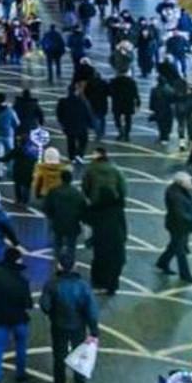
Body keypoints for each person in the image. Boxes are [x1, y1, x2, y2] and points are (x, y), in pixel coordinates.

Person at [39, 251, 99, 383]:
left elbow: (45, 306)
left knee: (59, 361)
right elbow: (92, 310)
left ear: (59, 265)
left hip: (58, 327)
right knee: (79, 352)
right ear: (75, 266)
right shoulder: (83, 286)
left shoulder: (52, 284)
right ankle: (79, 379)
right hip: (78, 326)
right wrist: (94, 330)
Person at [82, 147, 129, 296]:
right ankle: (112, 285)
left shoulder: (90, 170)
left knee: (99, 259)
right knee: (116, 260)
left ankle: (98, 281)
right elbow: (123, 187)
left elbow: (85, 187)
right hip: (116, 239)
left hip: (100, 236)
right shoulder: (115, 169)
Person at [0, 245, 32, 383]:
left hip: (0, 317)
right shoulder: (22, 281)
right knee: (21, 345)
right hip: (19, 318)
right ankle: (20, 373)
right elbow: (28, 303)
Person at [156, 171, 192, 282]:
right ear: (181, 183)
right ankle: (185, 275)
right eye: (188, 182)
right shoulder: (176, 196)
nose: (191, 184)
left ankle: (162, 262)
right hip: (178, 227)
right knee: (181, 251)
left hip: (178, 225)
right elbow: (180, 214)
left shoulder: (178, 191)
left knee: (174, 246)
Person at [43, 166, 87, 262]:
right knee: (71, 246)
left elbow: (47, 207)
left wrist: (51, 217)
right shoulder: (77, 194)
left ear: (61, 178)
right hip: (73, 224)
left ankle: (58, 262)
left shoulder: (53, 191)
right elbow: (84, 210)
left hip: (57, 223)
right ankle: (69, 264)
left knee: (57, 244)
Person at [57, 83, 94, 163]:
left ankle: (71, 157)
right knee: (83, 141)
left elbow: (59, 114)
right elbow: (88, 113)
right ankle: (79, 154)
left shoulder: (63, 101)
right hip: (82, 125)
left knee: (70, 141)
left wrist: (62, 123)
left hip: (69, 125)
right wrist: (91, 124)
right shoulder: (82, 101)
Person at [108, 70, 140, 141]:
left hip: (117, 103)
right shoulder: (131, 82)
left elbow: (110, 92)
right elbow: (135, 93)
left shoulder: (114, 81)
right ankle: (127, 135)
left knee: (117, 118)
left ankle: (120, 132)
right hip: (128, 103)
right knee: (128, 119)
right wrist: (138, 102)